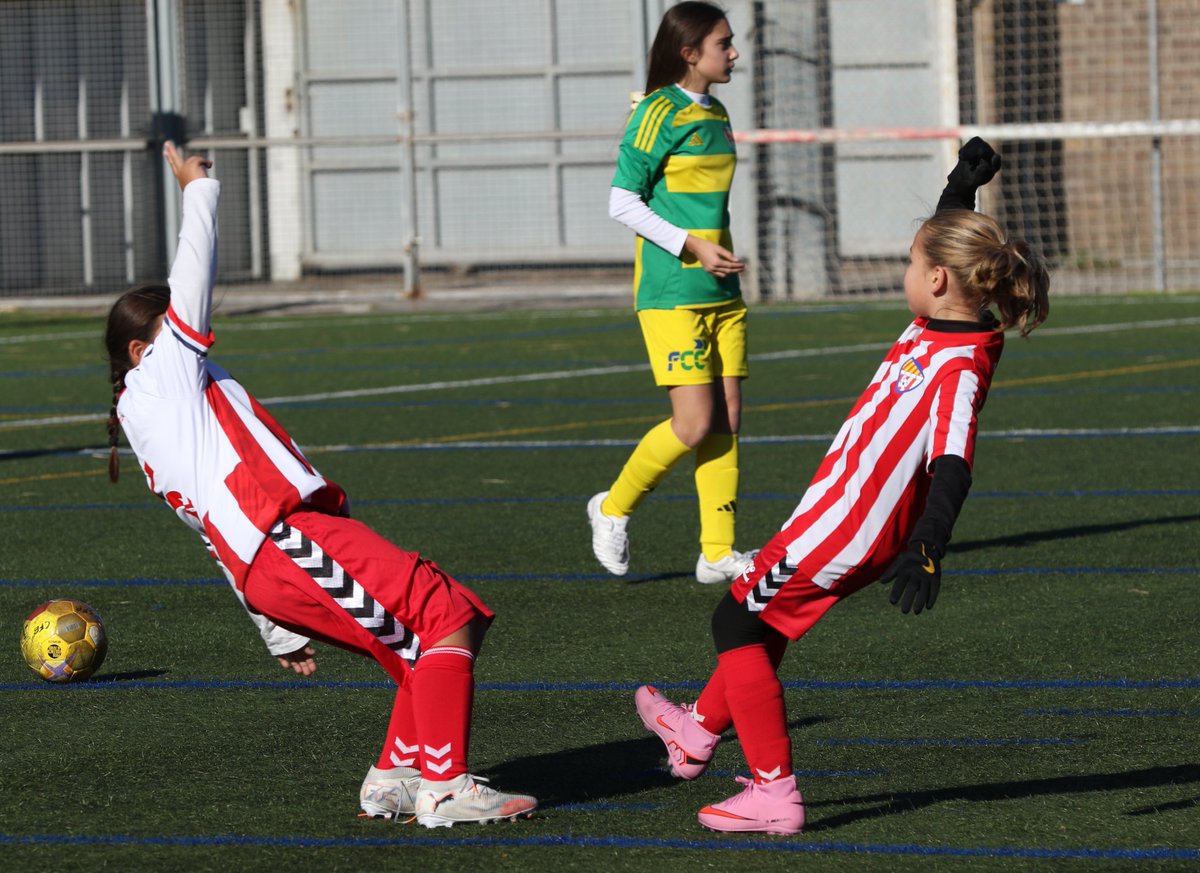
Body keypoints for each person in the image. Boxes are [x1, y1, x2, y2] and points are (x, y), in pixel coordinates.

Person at [104, 142, 536, 829]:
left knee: (421, 641)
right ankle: (445, 787)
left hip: (279, 550)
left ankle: (396, 778)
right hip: (285, 539)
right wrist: (197, 190)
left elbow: (212, 535)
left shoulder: (160, 411)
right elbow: (192, 278)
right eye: (170, 327)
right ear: (139, 351)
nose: (195, 329)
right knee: (445, 612)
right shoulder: (160, 377)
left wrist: (271, 627)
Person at [634, 138, 1050, 834]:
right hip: (839, 514)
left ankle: (774, 792)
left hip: (850, 526)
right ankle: (697, 730)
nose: (905, 271)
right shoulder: (944, 322)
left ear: (938, 280)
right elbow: (947, 254)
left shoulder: (961, 363)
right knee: (763, 618)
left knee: (735, 622)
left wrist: (930, 542)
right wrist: (959, 188)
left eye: (911, 263)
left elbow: (953, 460)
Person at [589, 0, 756, 584]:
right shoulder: (658, 111)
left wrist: (716, 252)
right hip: (671, 290)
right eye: (723, 44)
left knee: (726, 420)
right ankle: (612, 508)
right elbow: (621, 201)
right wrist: (692, 246)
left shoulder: (717, 111)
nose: (734, 52)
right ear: (689, 53)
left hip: (721, 291)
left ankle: (717, 553)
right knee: (692, 424)